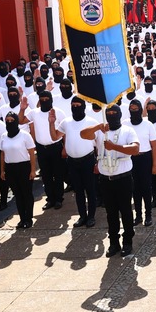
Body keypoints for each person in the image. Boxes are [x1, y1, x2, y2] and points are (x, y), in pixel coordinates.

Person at [80, 104, 140, 257]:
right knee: (111, 213)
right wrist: (97, 127)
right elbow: (83, 134)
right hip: (106, 179)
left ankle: (128, 241)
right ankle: (114, 242)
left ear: (120, 114)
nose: (112, 115)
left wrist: (115, 147)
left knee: (126, 211)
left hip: (123, 178)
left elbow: (135, 149)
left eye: (115, 112)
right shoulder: (101, 132)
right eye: (109, 113)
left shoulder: (127, 130)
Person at [57, 97, 97, 228]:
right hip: (73, 162)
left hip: (88, 160)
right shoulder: (66, 122)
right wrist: (51, 123)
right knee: (78, 191)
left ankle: (91, 216)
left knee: (90, 190)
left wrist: (98, 162)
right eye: (73, 105)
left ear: (83, 106)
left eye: (78, 105)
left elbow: (98, 144)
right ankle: (82, 216)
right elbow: (54, 137)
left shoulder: (91, 121)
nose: (75, 107)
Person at [0, 113, 36, 229]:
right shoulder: (4, 136)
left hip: (24, 167)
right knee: (18, 195)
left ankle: (29, 218)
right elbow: (2, 154)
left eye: (12, 120)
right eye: (7, 120)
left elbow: (31, 153)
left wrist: (33, 170)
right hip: (10, 168)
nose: (9, 122)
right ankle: (22, 219)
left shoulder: (25, 135)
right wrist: (2, 170)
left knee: (26, 194)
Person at [126, 99, 156, 226]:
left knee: (146, 188)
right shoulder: (125, 124)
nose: (134, 111)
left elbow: (154, 146)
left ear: (140, 110)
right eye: (131, 109)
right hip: (131, 159)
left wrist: (155, 164)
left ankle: (148, 214)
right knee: (135, 189)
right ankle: (138, 215)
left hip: (145, 158)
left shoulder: (148, 125)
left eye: (136, 109)